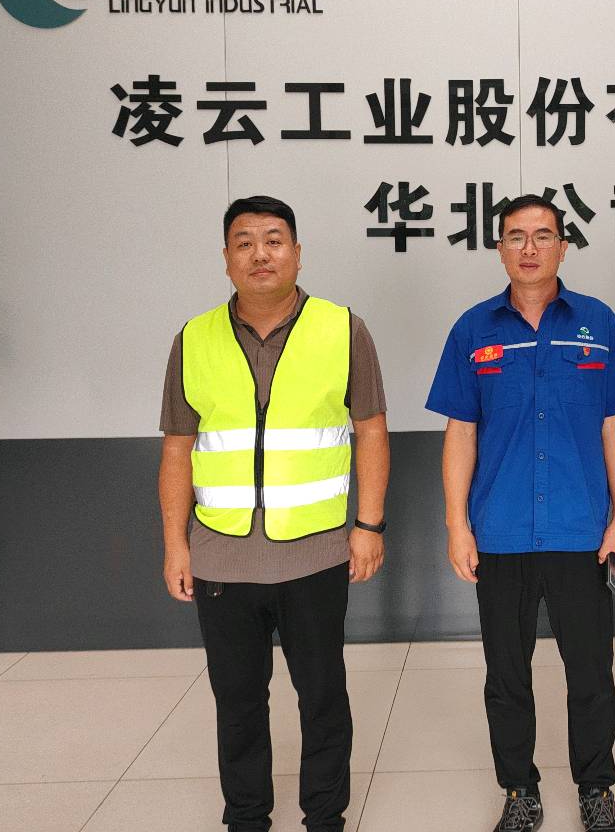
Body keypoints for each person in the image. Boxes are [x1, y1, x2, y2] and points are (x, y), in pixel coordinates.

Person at [158, 195, 390, 832]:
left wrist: (369, 525)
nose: (260, 254)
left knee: (322, 697)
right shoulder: (194, 338)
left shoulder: (342, 328)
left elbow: (371, 430)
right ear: (226, 258)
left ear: (297, 252)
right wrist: (176, 545)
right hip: (221, 557)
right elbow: (177, 448)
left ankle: (325, 817)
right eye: (244, 242)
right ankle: (246, 818)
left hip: (315, 553)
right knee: (236, 701)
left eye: (273, 240)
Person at [426, 194, 615, 832]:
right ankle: (519, 790)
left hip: (582, 532)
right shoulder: (473, 330)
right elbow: (461, 432)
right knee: (506, 675)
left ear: (563, 246)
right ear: (500, 247)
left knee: (591, 674)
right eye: (516, 236)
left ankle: (595, 790)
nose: (529, 248)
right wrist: (457, 524)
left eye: (543, 235)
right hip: (500, 532)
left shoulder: (598, 323)